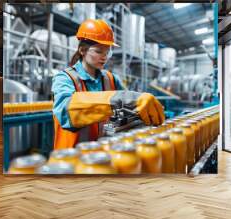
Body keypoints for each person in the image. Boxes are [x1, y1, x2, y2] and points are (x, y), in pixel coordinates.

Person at [52, 19, 165, 149]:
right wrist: (120, 99)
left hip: (104, 153)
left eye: (107, 52)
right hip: (71, 160)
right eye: (99, 51)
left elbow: (128, 110)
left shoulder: (110, 78)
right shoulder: (65, 78)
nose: (104, 57)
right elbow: (65, 112)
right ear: (82, 50)